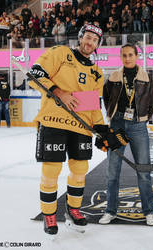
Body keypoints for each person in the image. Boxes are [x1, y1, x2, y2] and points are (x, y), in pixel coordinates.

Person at [28, 23, 128, 236]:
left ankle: (73, 209)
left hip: (80, 126)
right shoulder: (61, 53)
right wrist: (59, 92)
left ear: (97, 45)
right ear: (81, 38)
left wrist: (102, 129)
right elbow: (35, 74)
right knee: (51, 170)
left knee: (80, 170)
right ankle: (49, 214)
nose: (90, 42)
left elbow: (92, 105)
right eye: (88, 37)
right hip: (54, 120)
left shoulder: (96, 72)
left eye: (95, 40)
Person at [98, 43, 153, 226]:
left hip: (138, 126)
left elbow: (152, 100)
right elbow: (106, 97)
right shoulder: (114, 76)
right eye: (124, 55)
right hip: (117, 125)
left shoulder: (147, 77)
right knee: (112, 171)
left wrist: (143, 118)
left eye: (130, 54)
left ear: (136, 56)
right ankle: (110, 211)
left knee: (144, 170)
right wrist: (112, 116)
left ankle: (149, 211)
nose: (127, 58)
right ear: (121, 56)